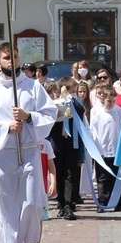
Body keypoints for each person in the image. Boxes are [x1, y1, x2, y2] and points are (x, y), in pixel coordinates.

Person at [0, 42, 57, 243]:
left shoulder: (33, 87)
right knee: (6, 202)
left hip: (29, 149)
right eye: (6, 58)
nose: (12, 61)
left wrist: (28, 116)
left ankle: (31, 241)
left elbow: (49, 113)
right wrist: (7, 127)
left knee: (31, 201)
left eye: (15, 57)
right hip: (4, 153)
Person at [49, 76, 86, 220]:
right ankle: (61, 202)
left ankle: (69, 205)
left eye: (74, 92)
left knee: (70, 173)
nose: (74, 94)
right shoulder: (53, 103)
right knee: (58, 172)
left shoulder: (75, 103)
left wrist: (69, 98)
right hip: (57, 142)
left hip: (72, 142)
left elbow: (81, 110)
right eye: (71, 91)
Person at [90, 85, 121, 212]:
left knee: (118, 177)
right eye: (108, 101)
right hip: (103, 150)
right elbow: (93, 130)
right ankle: (103, 202)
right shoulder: (96, 111)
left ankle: (119, 203)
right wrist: (97, 150)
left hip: (116, 150)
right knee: (103, 177)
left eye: (113, 101)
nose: (111, 103)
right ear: (102, 99)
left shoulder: (119, 111)